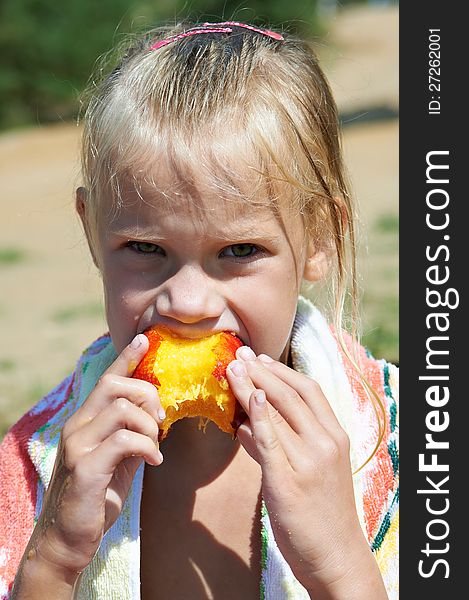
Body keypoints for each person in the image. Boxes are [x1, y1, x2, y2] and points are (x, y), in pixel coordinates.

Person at [0, 20, 398, 599]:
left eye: (239, 251)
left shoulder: (407, 448)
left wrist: (340, 566)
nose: (187, 304)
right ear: (93, 232)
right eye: (145, 249)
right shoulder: (38, 469)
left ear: (318, 239)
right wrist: (55, 557)